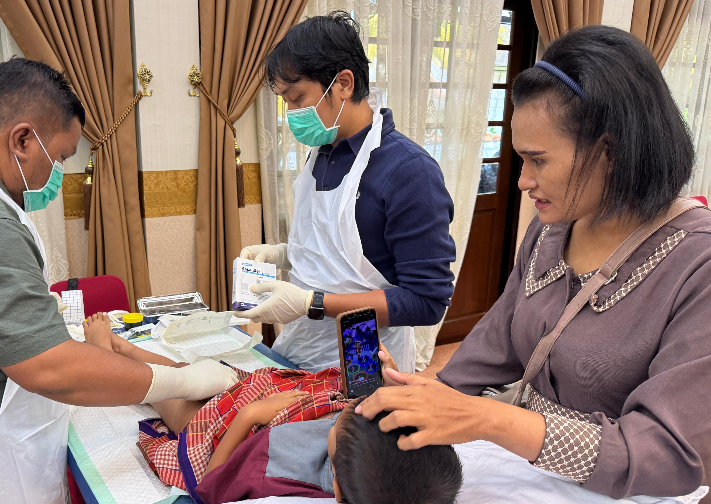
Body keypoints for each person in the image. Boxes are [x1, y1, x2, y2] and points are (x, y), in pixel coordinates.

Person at [0, 58, 238, 504]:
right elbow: (49, 366)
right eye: (60, 158)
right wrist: (184, 382)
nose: (56, 174)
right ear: (22, 140)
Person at [354, 26, 711, 500]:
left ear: (610, 152)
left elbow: (667, 453)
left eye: (537, 161)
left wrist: (490, 419)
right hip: (531, 468)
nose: (523, 181)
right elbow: (495, 344)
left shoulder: (696, 263)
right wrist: (419, 393)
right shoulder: (549, 233)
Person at [236, 11, 455, 373]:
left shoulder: (408, 171)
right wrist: (284, 255)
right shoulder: (322, 152)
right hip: (302, 344)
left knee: (346, 408)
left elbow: (426, 301)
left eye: (296, 97)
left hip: (364, 351)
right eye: (284, 101)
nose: (291, 112)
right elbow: (337, 252)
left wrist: (313, 302)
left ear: (343, 84)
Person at [79, 313, 463, 504]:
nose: (356, 406)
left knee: (170, 393)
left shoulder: (279, 475)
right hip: (258, 397)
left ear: (336, 485)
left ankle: (104, 358)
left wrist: (253, 414)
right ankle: (125, 348)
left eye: (348, 414)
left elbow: (211, 487)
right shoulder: (373, 457)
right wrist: (384, 385)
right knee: (189, 372)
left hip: (229, 426)